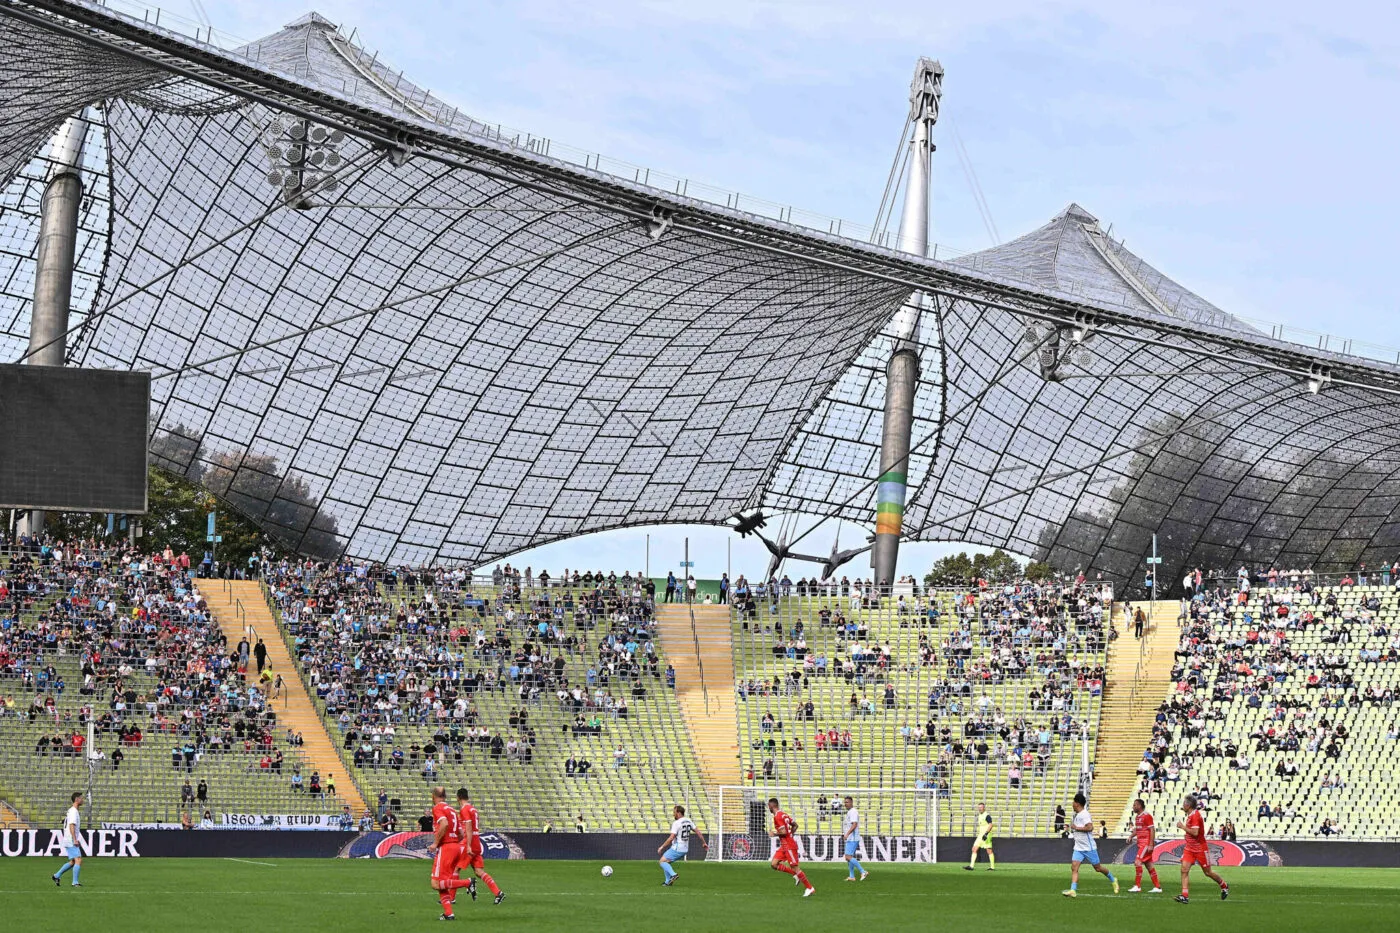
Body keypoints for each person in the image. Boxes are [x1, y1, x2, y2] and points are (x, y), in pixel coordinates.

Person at [1174, 794, 1228, 905]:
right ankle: (1184, 896)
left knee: (1208, 872)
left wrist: (1182, 826)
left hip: (1200, 848)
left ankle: (1224, 885)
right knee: (1184, 870)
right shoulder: (1190, 815)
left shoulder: (1195, 816)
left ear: (1188, 805)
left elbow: (1195, 832)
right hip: (1189, 848)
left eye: (1184, 803)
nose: (1183, 805)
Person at [455, 788, 505, 905]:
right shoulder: (473, 809)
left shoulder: (464, 809)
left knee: (456, 868)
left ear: (458, 797)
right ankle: (498, 893)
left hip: (470, 841)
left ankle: (451, 898)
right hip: (477, 841)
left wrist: (467, 845)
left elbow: (468, 826)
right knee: (479, 871)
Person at [1063, 792, 1117, 898]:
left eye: (1073, 802)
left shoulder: (1084, 814)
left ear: (1077, 803)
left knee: (1098, 868)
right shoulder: (1077, 815)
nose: (1072, 804)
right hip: (1078, 847)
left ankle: (1113, 879)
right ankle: (1073, 890)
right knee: (1074, 868)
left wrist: (1076, 828)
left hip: (1088, 847)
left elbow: (1090, 827)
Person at [426, 786, 463, 921]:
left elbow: (444, 824)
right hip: (456, 847)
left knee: (436, 883)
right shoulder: (453, 810)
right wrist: (454, 842)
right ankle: (449, 913)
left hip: (446, 848)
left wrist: (436, 843)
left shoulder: (437, 808)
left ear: (433, 796)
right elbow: (461, 833)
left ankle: (467, 883)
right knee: (442, 883)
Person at [767, 797, 814, 896]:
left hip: (789, 845)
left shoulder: (777, 817)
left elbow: (783, 832)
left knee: (795, 867)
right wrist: (790, 834)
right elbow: (795, 825)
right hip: (784, 845)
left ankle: (810, 888)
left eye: (769, 806)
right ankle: (795, 875)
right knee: (774, 864)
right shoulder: (783, 814)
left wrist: (774, 834)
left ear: (772, 806)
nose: (768, 808)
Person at [658, 804, 707, 886]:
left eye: (674, 812)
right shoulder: (689, 821)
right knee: (666, 862)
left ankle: (674, 875)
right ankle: (667, 882)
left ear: (678, 813)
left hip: (677, 847)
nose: (673, 814)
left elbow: (671, 838)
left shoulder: (676, 823)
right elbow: (698, 832)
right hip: (685, 849)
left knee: (662, 861)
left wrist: (662, 847)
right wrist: (704, 843)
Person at [1128, 799, 1161, 893]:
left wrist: (1151, 844)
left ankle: (1137, 886)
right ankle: (1157, 887)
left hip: (1146, 844)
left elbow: (1152, 830)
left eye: (1135, 805)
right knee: (1149, 865)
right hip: (1141, 844)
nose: (1133, 807)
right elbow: (1137, 830)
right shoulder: (1137, 817)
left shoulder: (1147, 816)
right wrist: (1131, 836)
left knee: (1137, 862)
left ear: (1139, 806)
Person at [52, 791, 84, 888]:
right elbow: (71, 825)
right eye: (81, 798)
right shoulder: (74, 811)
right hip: (70, 839)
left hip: (68, 839)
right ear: (77, 799)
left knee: (73, 861)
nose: (83, 800)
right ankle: (75, 882)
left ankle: (56, 876)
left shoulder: (71, 811)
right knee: (78, 860)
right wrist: (75, 839)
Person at [840, 796, 868, 882]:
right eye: (845, 802)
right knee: (849, 857)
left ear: (852, 803)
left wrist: (847, 834)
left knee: (848, 857)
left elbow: (854, 824)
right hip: (851, 838)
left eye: (847, 802)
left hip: (853, 837)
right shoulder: (850, 812)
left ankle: (863, 871)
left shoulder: (853, 812)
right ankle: (852, 876)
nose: (846, 804)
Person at [964, 802, 995, 871]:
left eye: (981, 807)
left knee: (989, 850)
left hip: (986, 835)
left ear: (984, 808)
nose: (980, 809)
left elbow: (991, 825)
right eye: (979, 807)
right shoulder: (980, 815)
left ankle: (992, 867)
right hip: (980, 835)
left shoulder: (987, 815)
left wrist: (986, 834)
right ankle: (971, 866)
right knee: (974, 849)